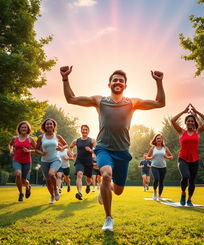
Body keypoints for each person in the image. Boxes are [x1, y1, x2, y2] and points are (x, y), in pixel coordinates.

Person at [60, 65, 165, 232]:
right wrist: (65, 78)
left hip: (122, 151)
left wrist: (159, 82)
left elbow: (160, 103)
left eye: (121, 81)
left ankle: (106, 187)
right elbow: (71, 99)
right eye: (115, 80)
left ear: (125, 85)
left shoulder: (132, 102)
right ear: (109, 84)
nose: (118, 82)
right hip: (103, 148)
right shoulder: (99, 100)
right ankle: (108, 218)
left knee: (118, 191)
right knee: (106, 175)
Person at [171, 104, 204, 206]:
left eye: (192, 121)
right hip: (182, 158)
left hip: (194, 159)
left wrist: (196, 112)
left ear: (194, 123)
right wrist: (183, 112)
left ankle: (189, 199)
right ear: (186, 122)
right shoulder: (181, 132)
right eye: (188, 120)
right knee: (185, 176)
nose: (190, 122)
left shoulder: (198, 132)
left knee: (192, 181)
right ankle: (183, 193)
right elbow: (172, 120)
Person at [36, 118, 68, 204]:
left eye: (51, 124)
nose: (49, 125)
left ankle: (56, 190)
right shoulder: (41, 137)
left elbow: (66, 145)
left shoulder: (57, 136)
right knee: (47, 180)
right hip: (44, 161)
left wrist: (62, 148)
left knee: (51, 174)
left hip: (56, 159)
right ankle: (52, 196)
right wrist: (41, 153)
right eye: (47, 124)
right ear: (44, 126)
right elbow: (36, 149)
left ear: (54, 126)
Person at [8, 121, 36, 201]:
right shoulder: (15, 138)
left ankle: (28, 187)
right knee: (18, 174)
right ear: (19, 129)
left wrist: (29, 151)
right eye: (22, 127)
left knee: (24, 180)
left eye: (25, 127)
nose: (23, 128)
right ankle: (21, 193)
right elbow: (10, 145)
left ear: (28, 129)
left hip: (27, 161)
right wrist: (11, 150)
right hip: (17, 160)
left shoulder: (30, 139)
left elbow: (36, 150)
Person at [69, 125, 96, 200]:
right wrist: (71, 153)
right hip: (79, 161)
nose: (84, 131)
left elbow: (97, 151)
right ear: (81, 131)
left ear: (88, 131)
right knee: (79, 174)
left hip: (89, 162)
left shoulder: (92, 140)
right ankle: (79, 193)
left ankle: (88, 185)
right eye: (83, 129)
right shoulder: (76, 141)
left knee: (88, 179)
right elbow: (70, 148)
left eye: (86, 130)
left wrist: (90, 150)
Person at [147, 133, 173, 200]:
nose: (159, 139)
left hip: (163, 167)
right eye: (157, 138)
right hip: (154, 166)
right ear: (155, 140)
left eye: (160, 138)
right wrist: (151, 157)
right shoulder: (153, 148)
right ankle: (155, 192)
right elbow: (147, 157)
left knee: (161, 181)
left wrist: (167, 157)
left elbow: (171, 156)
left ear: (162, 140)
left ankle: (160, 196)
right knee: (156, 179)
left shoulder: (165, 148)